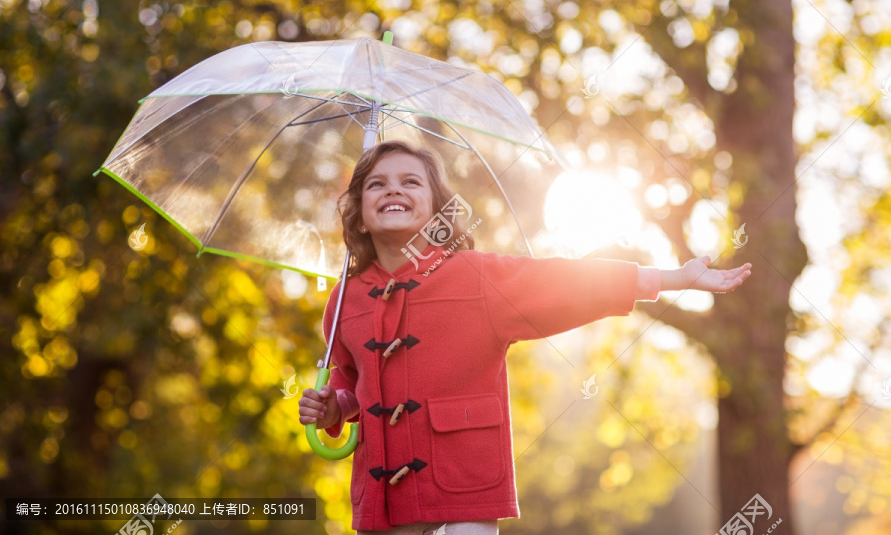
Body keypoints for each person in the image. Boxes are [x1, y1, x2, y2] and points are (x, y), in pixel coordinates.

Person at [298, 141, 752, 534]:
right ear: (358, 217)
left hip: (460, 501)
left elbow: (566, 283)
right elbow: (351, 380)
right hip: (379, 509)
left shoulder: (474, 278)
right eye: (376, 184)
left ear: (437, 211)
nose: (393, 189)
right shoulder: (344, 299)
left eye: (411, 182)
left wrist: (673, 278)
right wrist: (335, 405)